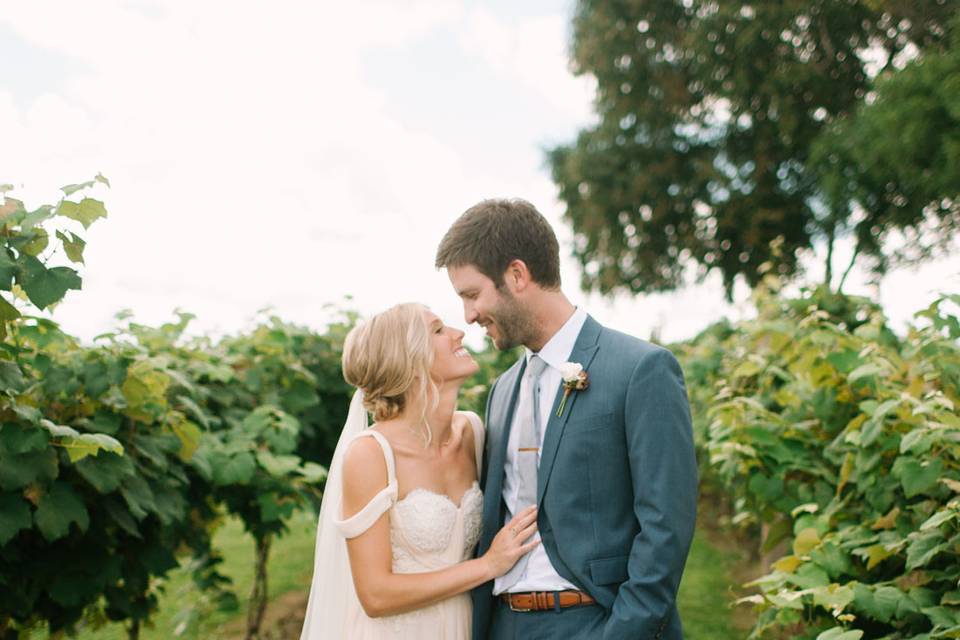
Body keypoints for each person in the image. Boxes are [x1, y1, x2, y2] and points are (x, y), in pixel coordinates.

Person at [435, 199, 698, 640]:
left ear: (517, 275)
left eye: (472, 295)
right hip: (503, 624)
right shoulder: (501, 391)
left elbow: (666, 524)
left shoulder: (640, 370)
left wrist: (623, 632)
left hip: (595, 622)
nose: (468, 316)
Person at [300, 303, 539, 640]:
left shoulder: (472, 432)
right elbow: (375, 595)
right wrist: (487, 566)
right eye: (438, 330)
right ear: (408, 360)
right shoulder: (371, 453)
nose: (459, 333)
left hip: (463, 628)